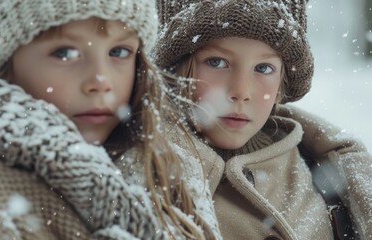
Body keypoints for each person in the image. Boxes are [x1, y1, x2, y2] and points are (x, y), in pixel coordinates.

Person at [0, 0, 221, 239]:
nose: (100, 81)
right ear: (10, 64)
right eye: (65, 53)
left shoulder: (167, 170)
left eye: (119, 52)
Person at [154, 0, 372, 239]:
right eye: (216, 62)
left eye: (264, 68)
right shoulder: (139, 178)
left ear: (281, 83)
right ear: (176, 72)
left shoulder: (335, 180)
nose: (241, 91)